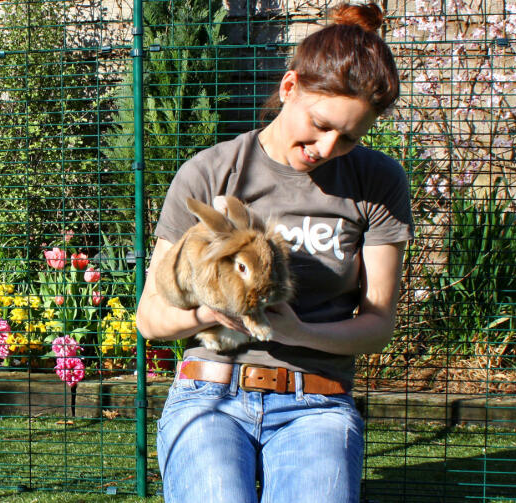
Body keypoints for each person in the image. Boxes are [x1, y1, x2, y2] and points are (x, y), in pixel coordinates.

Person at [136, 3, 413, 502]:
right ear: (289, 87)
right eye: (320, 124)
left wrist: (297, 331)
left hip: (316, 400)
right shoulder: (211, 171)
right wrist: (214, 311)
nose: (326, 147)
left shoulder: (377, 182)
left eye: (349, 138)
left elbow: (377, 325)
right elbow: (150, 318)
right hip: (210, 391)